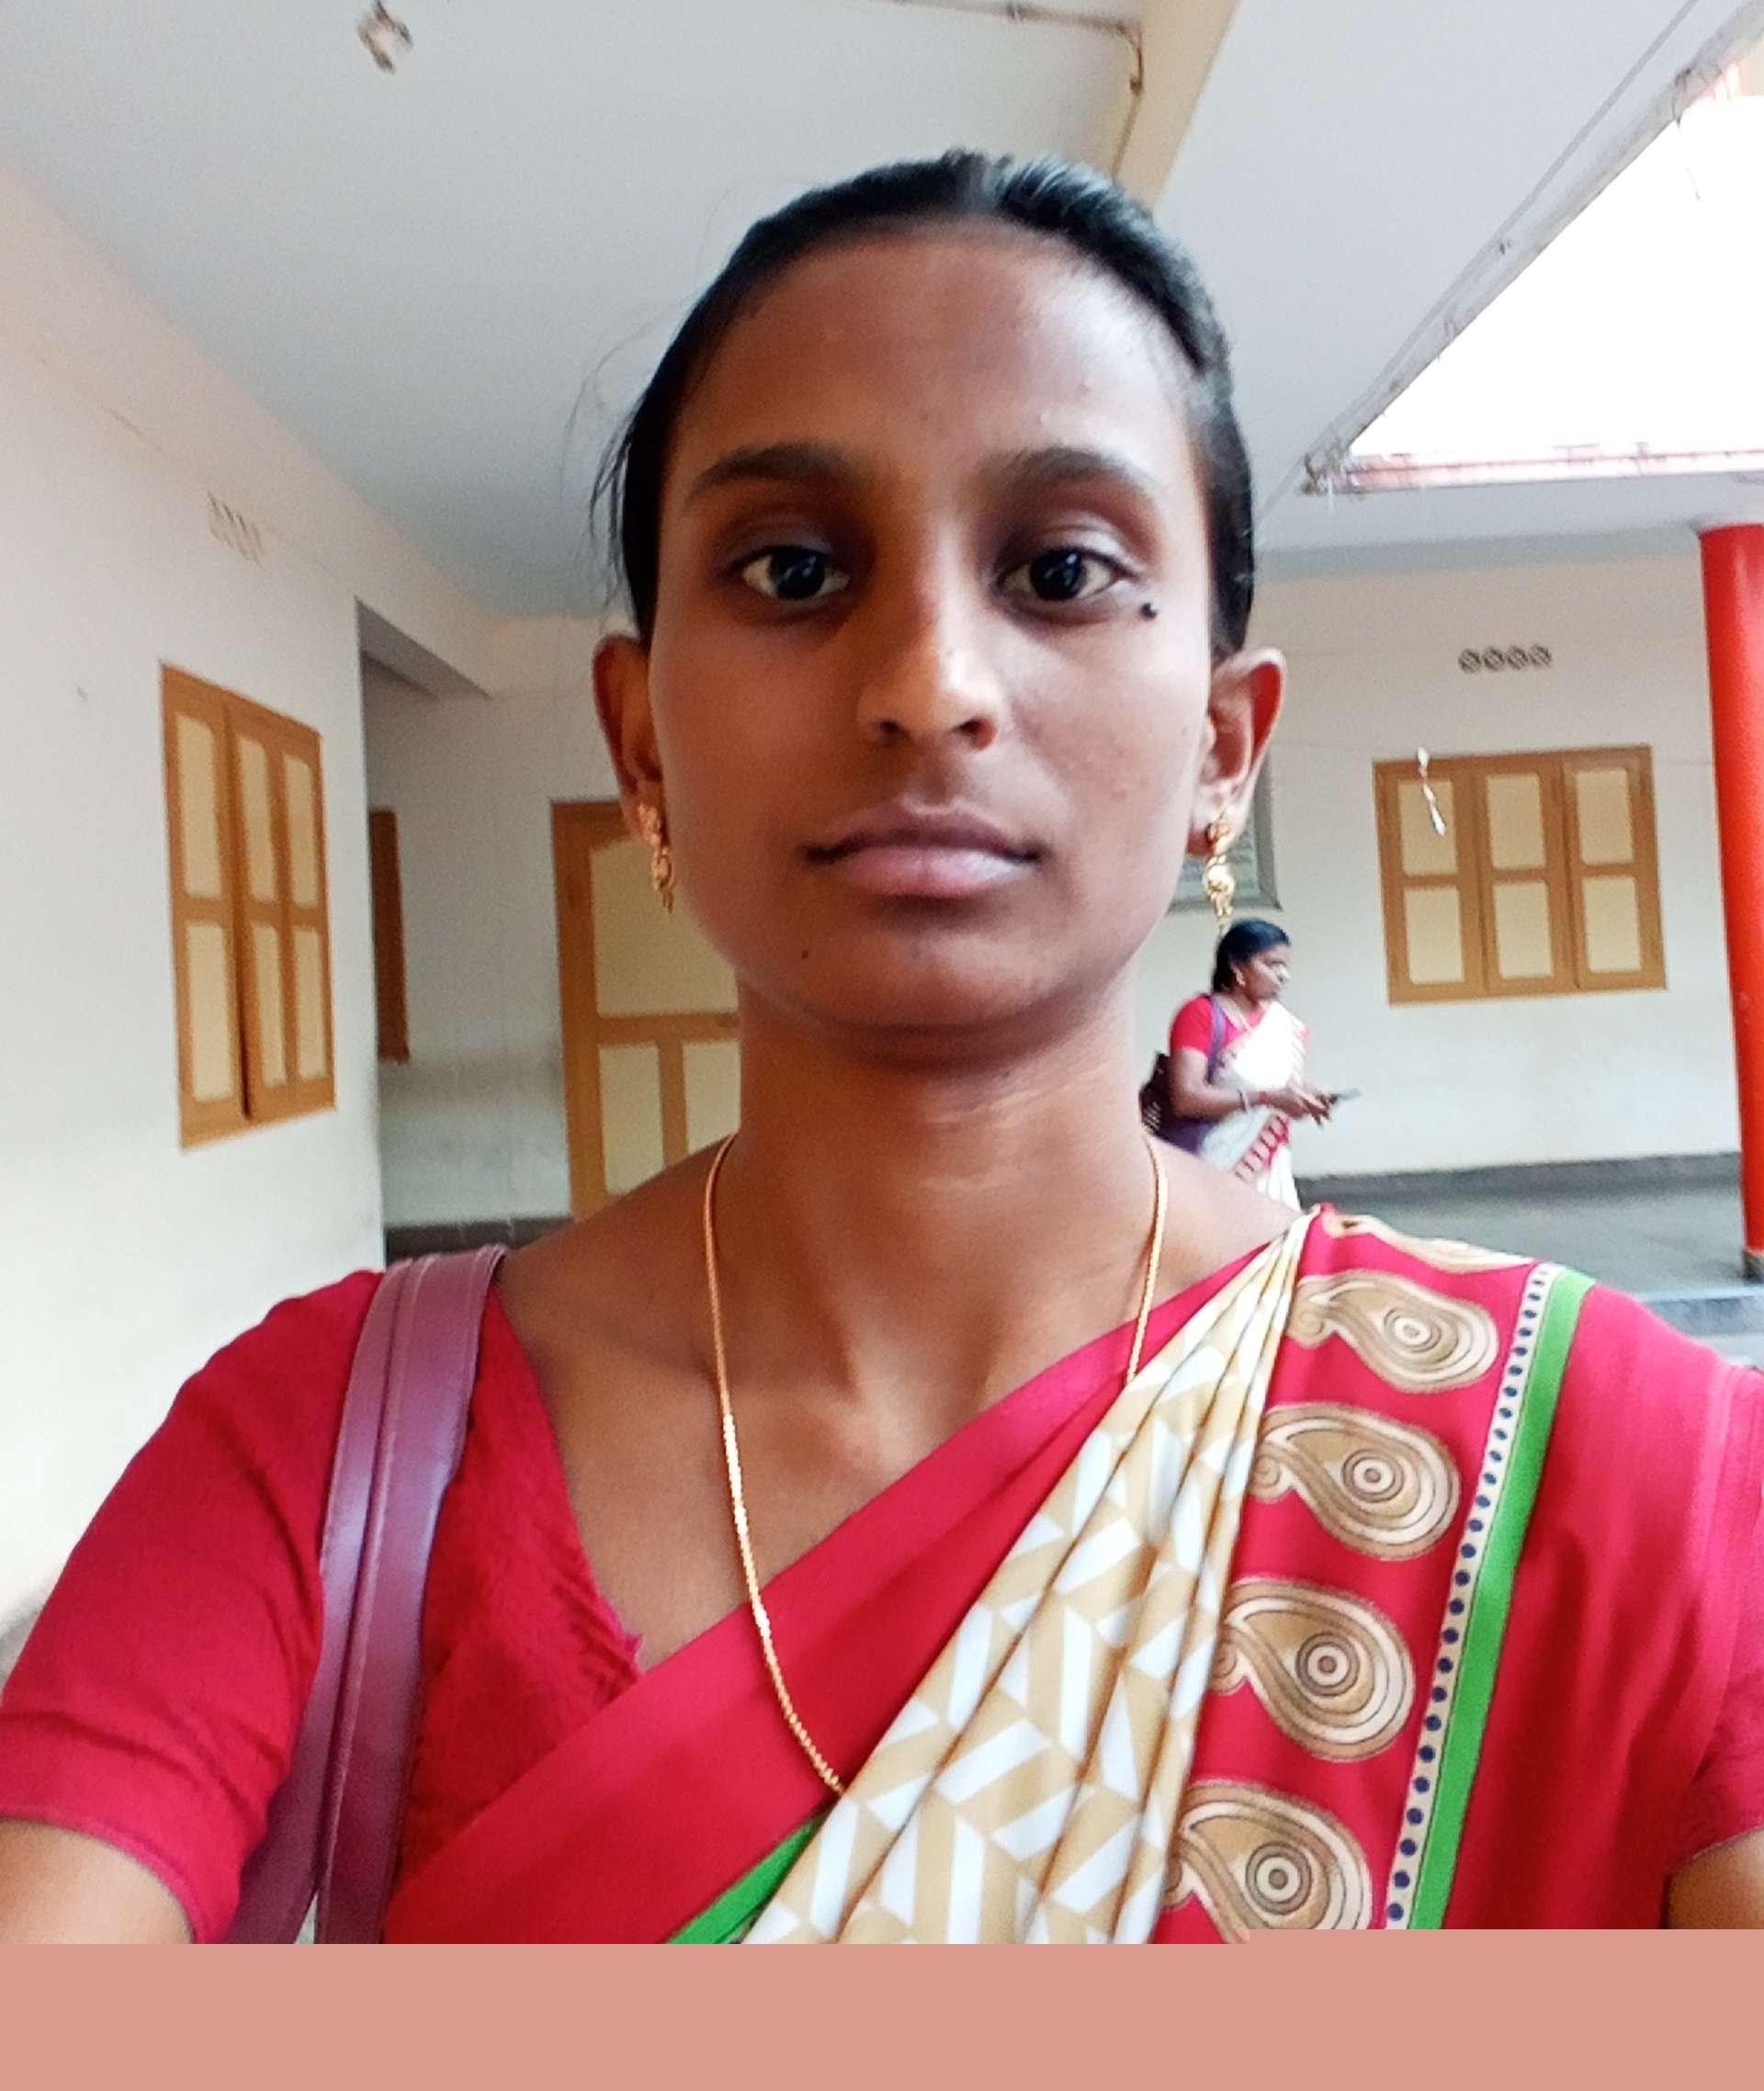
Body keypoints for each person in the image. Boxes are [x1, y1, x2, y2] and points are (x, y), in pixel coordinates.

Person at [1, 153, 1760, 1942]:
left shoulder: (1623, 1473)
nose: (929, 683)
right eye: (793, 569)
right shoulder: (323, 1458)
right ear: (642, 742)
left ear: (1227, 749)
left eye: (1064, 570)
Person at [1162, 920, 1332, 1206]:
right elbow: (1186, 1097)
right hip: (1214, 1162)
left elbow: (1280, 1089)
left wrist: (1304, 1099)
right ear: (1237, 967)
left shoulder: (1281, 1022)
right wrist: (1267, 1098)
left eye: (1285, 966)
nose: (1283, 975)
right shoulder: (1199, 1014)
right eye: (1272, 964)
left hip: (1269, 1163)